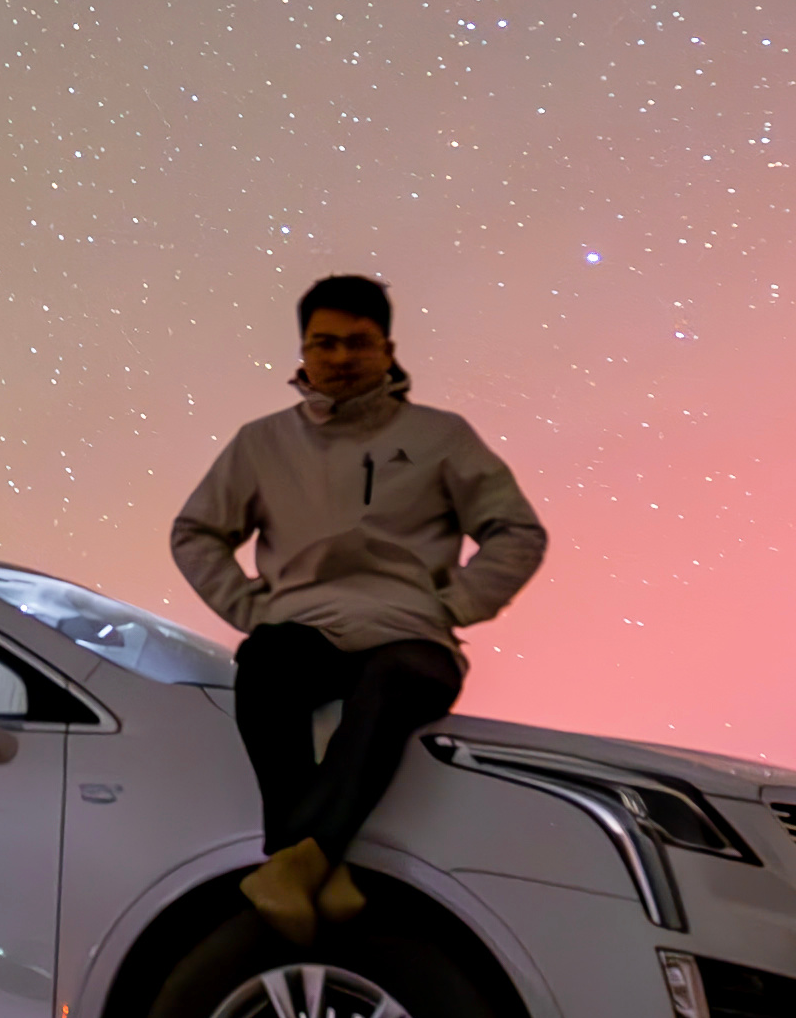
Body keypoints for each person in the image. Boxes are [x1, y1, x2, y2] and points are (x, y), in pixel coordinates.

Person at [170, 274, 548, 934]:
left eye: (358, 342)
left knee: (393, 684)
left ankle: (293, 863)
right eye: (325, 343)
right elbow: (196, 532)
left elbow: (516, 530)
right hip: (305, 625)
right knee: (266, 666)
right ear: (303, 350)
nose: (341, 357)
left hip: (411, 634)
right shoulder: (262, 444)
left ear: (387, 349)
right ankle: (318, 864)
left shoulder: (440, 436)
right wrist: (252, 610)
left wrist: (454, 605)